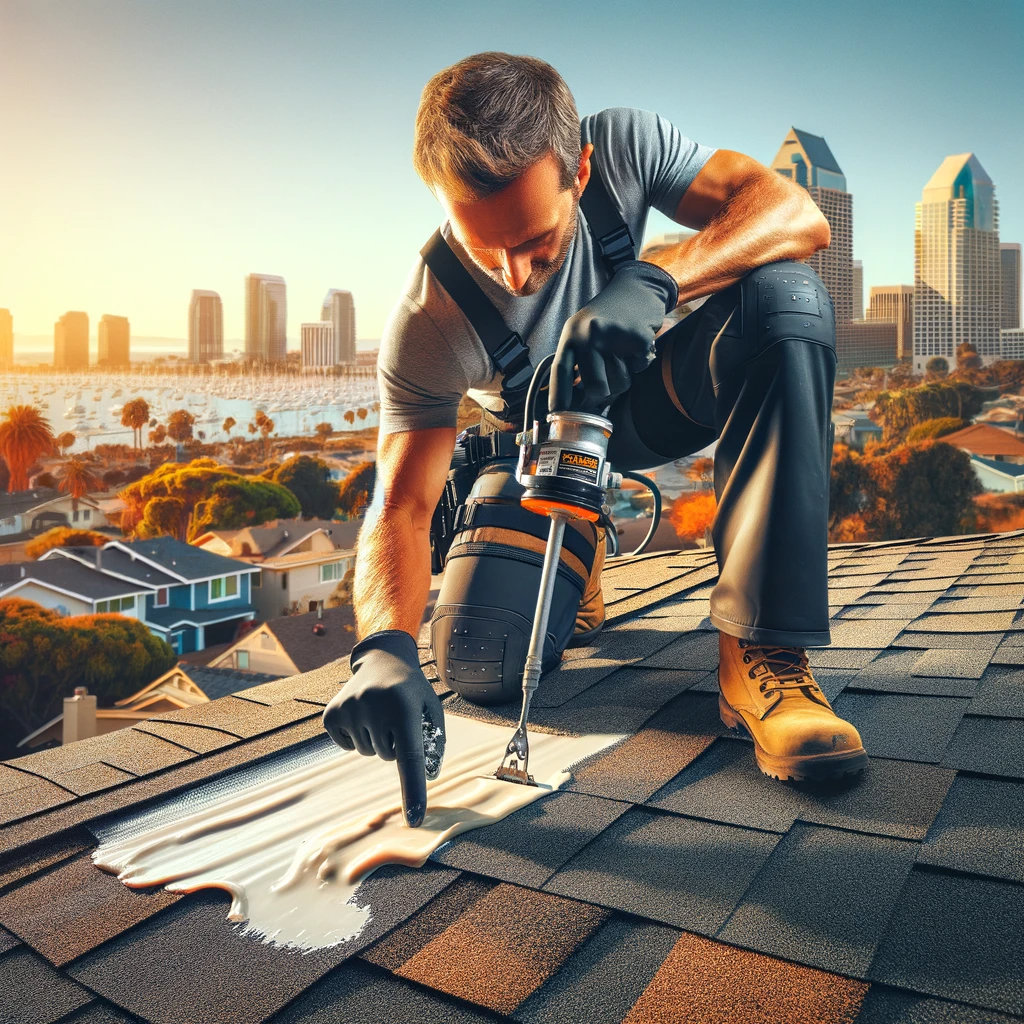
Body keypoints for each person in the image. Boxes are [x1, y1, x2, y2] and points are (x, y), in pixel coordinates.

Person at [323, 52, 867, 828]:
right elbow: (403, 504)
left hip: (648, 397)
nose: (515, 276)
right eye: (488, 250)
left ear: (577, 168)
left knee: (787, 300)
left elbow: (794, 214)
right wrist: (382, 646)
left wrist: (655, 282)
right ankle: (580, 547)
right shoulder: (427, 319)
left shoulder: (624, 148)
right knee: (481, 663)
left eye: (537, 241)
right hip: (541, 460)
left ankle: (761, 657)